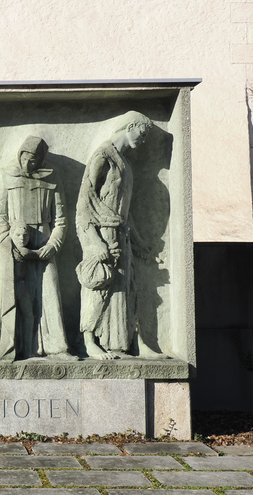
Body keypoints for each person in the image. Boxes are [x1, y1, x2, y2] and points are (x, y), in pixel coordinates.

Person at [0, 136, 77, 361]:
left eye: (32, 161)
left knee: (49, 293)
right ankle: (18, 348)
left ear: (40, 160)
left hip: (44, 243)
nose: (27, 164)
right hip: (15, 245)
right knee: (17, 296)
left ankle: (57, 348)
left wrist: (53, 245)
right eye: (24, 159)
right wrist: (8, 245)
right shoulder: (8, 174)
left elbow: (61, 220)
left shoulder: (52, 176)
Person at [76, 111, 153, 359]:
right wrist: (95, 242)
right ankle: (89, 340)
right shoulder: (103, 156)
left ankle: (127, 342)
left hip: (121, 233)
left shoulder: (124, 162)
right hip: (102, 232)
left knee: (126, 287)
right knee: (100, 284)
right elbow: (83, 205)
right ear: (130, 126)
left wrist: (138, 241)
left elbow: (125, 211)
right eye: (142, 133)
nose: (143, 140)